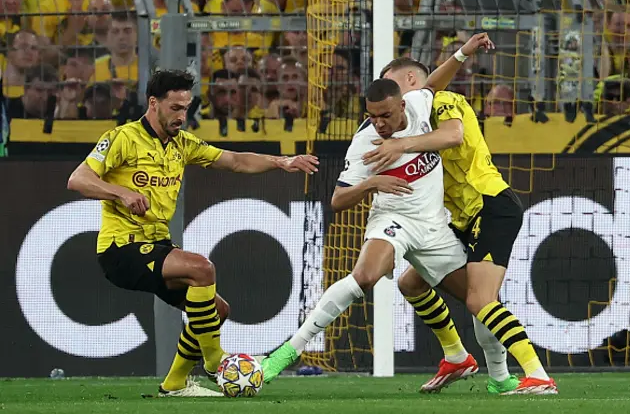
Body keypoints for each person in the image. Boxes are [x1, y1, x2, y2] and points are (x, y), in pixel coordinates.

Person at [260, 34, 495, 390]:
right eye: (372, 117)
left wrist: (464, 52)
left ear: (402, 105)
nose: (380, 124)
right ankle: (288, 352)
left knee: (482, 302)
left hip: (433, 226)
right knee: (365, 277)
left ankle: (496, 374)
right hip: (392, 219)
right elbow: (338, 201)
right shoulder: (365, 141)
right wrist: (371, 185)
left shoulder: (419, 104)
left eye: (385, 115)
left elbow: (434, 83)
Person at [67, 69, 319, 397]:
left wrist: (281, 161)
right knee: (201, 268)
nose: (182, 116)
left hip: (155, 245)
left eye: (186, 108)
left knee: (217, 311)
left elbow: (235, 161)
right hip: (121, 249)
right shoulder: (122, 138)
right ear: (154, 103)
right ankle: (215, 361)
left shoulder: (182, 145)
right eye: (175, 108)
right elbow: (78, 179)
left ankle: (174, 384)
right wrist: (121, 193)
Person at [362, 57, 558, 395]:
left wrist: (400, 145)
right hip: (458, 220)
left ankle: (537, 374)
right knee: (412, 284)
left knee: (479, 300)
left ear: (410, 80)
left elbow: (453, 136)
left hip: (489, 205)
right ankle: (461, 359)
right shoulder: (411, 125)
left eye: (392, 85)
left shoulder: (444, 100)